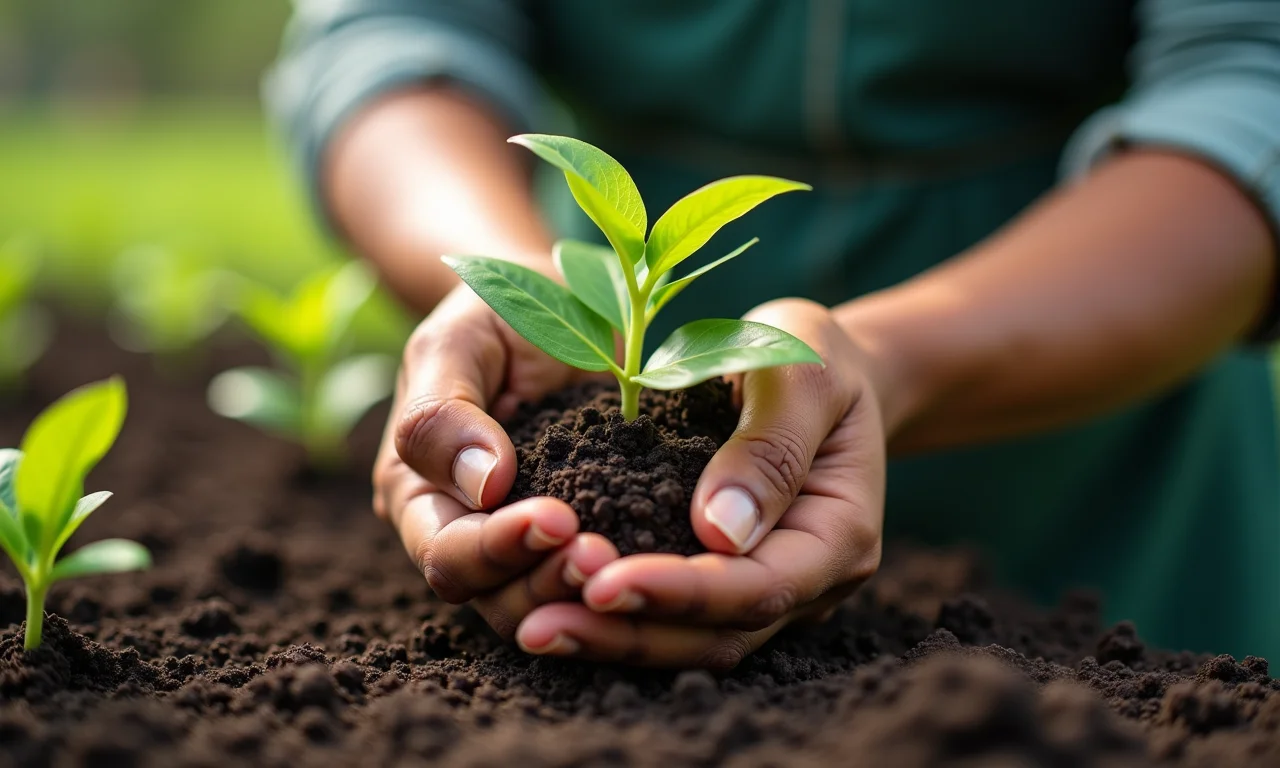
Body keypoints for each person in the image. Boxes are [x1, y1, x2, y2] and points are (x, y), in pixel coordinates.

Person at [267, 0, 1280, 666]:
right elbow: (392, 32)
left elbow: (1251, 78)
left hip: (1097, 375)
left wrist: (887, 362)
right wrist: (514, 288)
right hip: (614, 307)